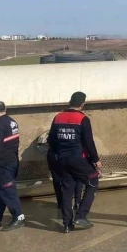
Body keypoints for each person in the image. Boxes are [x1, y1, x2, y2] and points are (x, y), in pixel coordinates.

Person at [48, 91, 102, 233]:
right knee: (93, 181)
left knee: (67, 190)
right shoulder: (83, 119)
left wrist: (59, 153)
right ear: (82, 104)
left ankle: (67, 224)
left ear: (70, 101)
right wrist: (95, 160)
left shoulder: (58, 117)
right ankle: (81, 215)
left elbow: (51, 140)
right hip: (78, 159)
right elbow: (88, 142)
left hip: (62, 160)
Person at [0, 101, 25, 231]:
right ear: (5, 109)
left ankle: (19, 217)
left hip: (2, 164)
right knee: (1, 190)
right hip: (12, 161)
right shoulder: (12, 122)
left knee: (7, 191)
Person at [47, 148, 83, 218]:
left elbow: (51, 141)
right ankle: (77, 202)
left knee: (57, 178)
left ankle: (61, 203)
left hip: (55, 153)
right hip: (72, 153)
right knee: (78, 176)